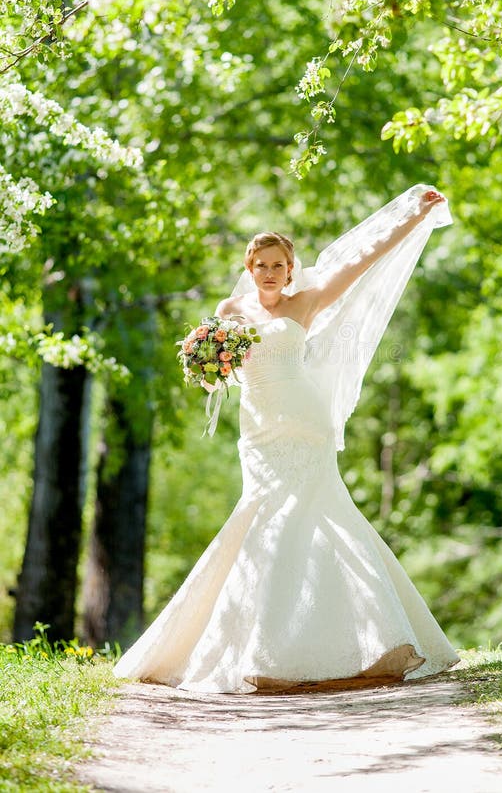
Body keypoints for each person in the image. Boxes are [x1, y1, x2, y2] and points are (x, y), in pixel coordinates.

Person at [114, 184, 459, 693]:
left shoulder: (306, 302)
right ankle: (262, 647)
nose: (270, 273)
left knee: (326, 516)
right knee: (264, 522)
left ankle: (374, 639)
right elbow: (213, 374)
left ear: (291, 270)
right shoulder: (231, 310)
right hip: (259, 431)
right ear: (249, 268)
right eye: (262, 265)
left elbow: (362, 260)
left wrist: (412, 217)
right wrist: (204, 363)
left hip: (307, 422)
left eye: (279, 265)